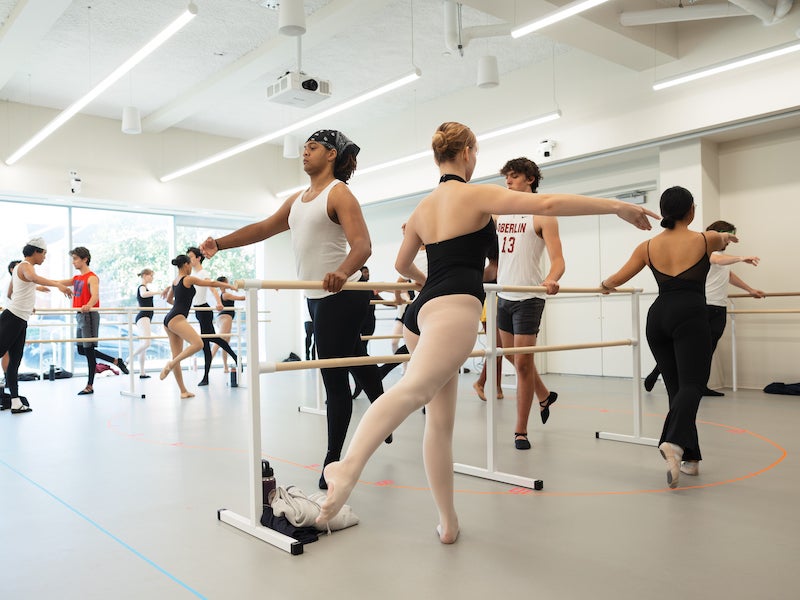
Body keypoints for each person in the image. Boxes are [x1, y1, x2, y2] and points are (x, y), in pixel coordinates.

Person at [316, 121, 658, 541]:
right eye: (476, 154)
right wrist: (615, 206)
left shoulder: (422, 208)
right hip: (454, 311)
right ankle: (348, 469)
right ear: (467, 152)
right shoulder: (475, 195)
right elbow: (547, 205)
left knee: (438, 423)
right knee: (414, 392)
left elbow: (403, 266)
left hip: (421, 316)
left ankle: (448, 523)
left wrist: (428, 284)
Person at [199, 129, 390, 490]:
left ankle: (333, 461)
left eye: (312, 148)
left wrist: (342, 272)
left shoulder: (340, 194)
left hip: (342, 295)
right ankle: (384, 412)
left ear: (331, 154)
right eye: (304, 148)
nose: (304, 153)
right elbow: (263, 228)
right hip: (317, 297)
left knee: (333, 376)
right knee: (354, 356)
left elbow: (363, 245)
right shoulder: (298, 199)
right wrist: (219, 245)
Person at [600, 186, 737, 488]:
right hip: (690, 315)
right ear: (691, 211)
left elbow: (614, 280)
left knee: (678, 392)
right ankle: (673, 443)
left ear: (663, 213)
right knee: (693, 385)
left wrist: (604, 285)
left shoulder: (647, 247)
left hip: (658, 318)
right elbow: (722, 239)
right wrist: (729, 237)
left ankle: (690, 458)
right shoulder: (705, 239)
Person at [643, 220, 764, 396]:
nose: (729, 241)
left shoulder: (722, 256)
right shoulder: (708, 251)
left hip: (719, 308)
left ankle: (700, 386)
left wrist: (750, 290)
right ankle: (657, 374)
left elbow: (728, 274)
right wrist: (740, 258)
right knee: (692, 350)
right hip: (704, 307)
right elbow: (716, 260)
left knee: (708, 351)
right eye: (728, 236)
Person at [495, 157, 564, 450]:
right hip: (502, 295)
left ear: (530, 180)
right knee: (513, 356)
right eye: (506, 177)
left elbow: (558, 259)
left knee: (522, 363)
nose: (508, 181)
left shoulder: (542, 214)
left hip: (529, 298)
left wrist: (551, 278)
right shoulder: (500, 212)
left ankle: (520, 430)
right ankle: (545, 395)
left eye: (514, 176)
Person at [0, 238, 72, 412]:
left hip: (19, 319)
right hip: (12, 318)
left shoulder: (19, 268)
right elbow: (33, 278)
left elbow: (12, 292)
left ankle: (16, 402)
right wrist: (58, 285)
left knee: (15, 361)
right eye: (44, 253)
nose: (45, 257)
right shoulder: (25, 266)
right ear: (36, 251)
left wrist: (28, 298)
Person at [159, 255, 236, 398]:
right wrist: (229, 286)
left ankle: (183, 391)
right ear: (186, 265)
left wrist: (180, 305)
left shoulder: (175, 281)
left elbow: (169, 300)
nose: (191, 268)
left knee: (178, 353)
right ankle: (170, 364)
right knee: (198, 343)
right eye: (190, 265)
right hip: (177, 318)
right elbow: (212, 283)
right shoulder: (188, 279)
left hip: (169, 318)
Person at [58, 247, 129, 395]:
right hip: (79, 315)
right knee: (81, 349)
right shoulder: (76, 279)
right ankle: (116, 361)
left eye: (76, 259)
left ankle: (89, 386)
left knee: (89, 351)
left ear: (85, 259)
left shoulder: (92, 277)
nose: (73, 262)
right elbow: (57, 282)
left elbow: (95, 296)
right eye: (73, 259)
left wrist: (88, 305)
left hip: (89, 315)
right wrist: (36, 283)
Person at [186, 247, 238, 385]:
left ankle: (206, 377)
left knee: (206, 344)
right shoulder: (193, 274)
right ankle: (236, 358)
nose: (189, 259)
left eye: (191, 257)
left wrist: (219, 302)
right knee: (214, 339)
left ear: (198, 258)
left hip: (204, 310)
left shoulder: (203, 273)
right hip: (199, 311)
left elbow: (212, 287)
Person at [129, 268, 162, 378]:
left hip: (145, 317)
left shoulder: (145, 288)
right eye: (151, 275)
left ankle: (142, 372)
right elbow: (143, 295)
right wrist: (158, 292)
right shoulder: (142, 287)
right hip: (143, 317)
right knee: (147, 343)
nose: (152, 278)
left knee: (143, 345)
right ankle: (128, 359)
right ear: (145, 275)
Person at [210, 276, 246, 373]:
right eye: (227, 282)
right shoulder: (225, 295)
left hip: (225, 318)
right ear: (224, 283)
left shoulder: (224, 294)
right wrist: (251, 292)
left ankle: (225, 367)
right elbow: (241, 298)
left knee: (225, 344)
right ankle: (208, 363)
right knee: (219, 341)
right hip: (225, 317)